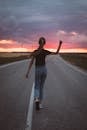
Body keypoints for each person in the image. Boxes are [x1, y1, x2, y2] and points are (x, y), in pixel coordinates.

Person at [26, 37, 62, 110]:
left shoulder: (35, 52)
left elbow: (31, 61)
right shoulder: (45, 51)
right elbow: (56, 53)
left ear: (39, 43)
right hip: (44, 70)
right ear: (44, 43)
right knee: (41, 87)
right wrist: (60, 44)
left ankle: (36, 99)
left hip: (38, 69)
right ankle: (40, 104)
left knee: (37, 86)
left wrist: (28, 72)